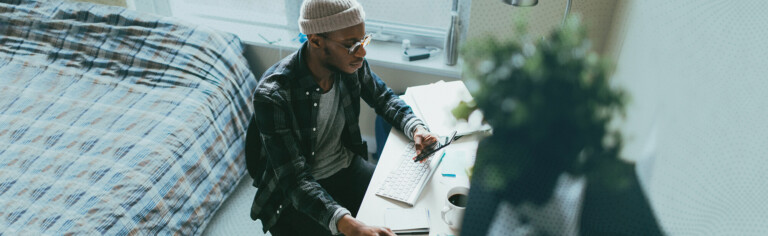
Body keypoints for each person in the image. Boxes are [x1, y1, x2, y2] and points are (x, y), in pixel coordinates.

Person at [245, 0, 439, 235]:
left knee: (405, 212)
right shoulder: (273, 94)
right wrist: (347, 223)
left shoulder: (352, 65)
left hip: (346, 167)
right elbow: (294, 180)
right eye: (351, 45)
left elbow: (384, 99)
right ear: (315, 40)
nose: (362, 52)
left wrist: (416, 128)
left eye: (363, 40)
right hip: (293, 194)